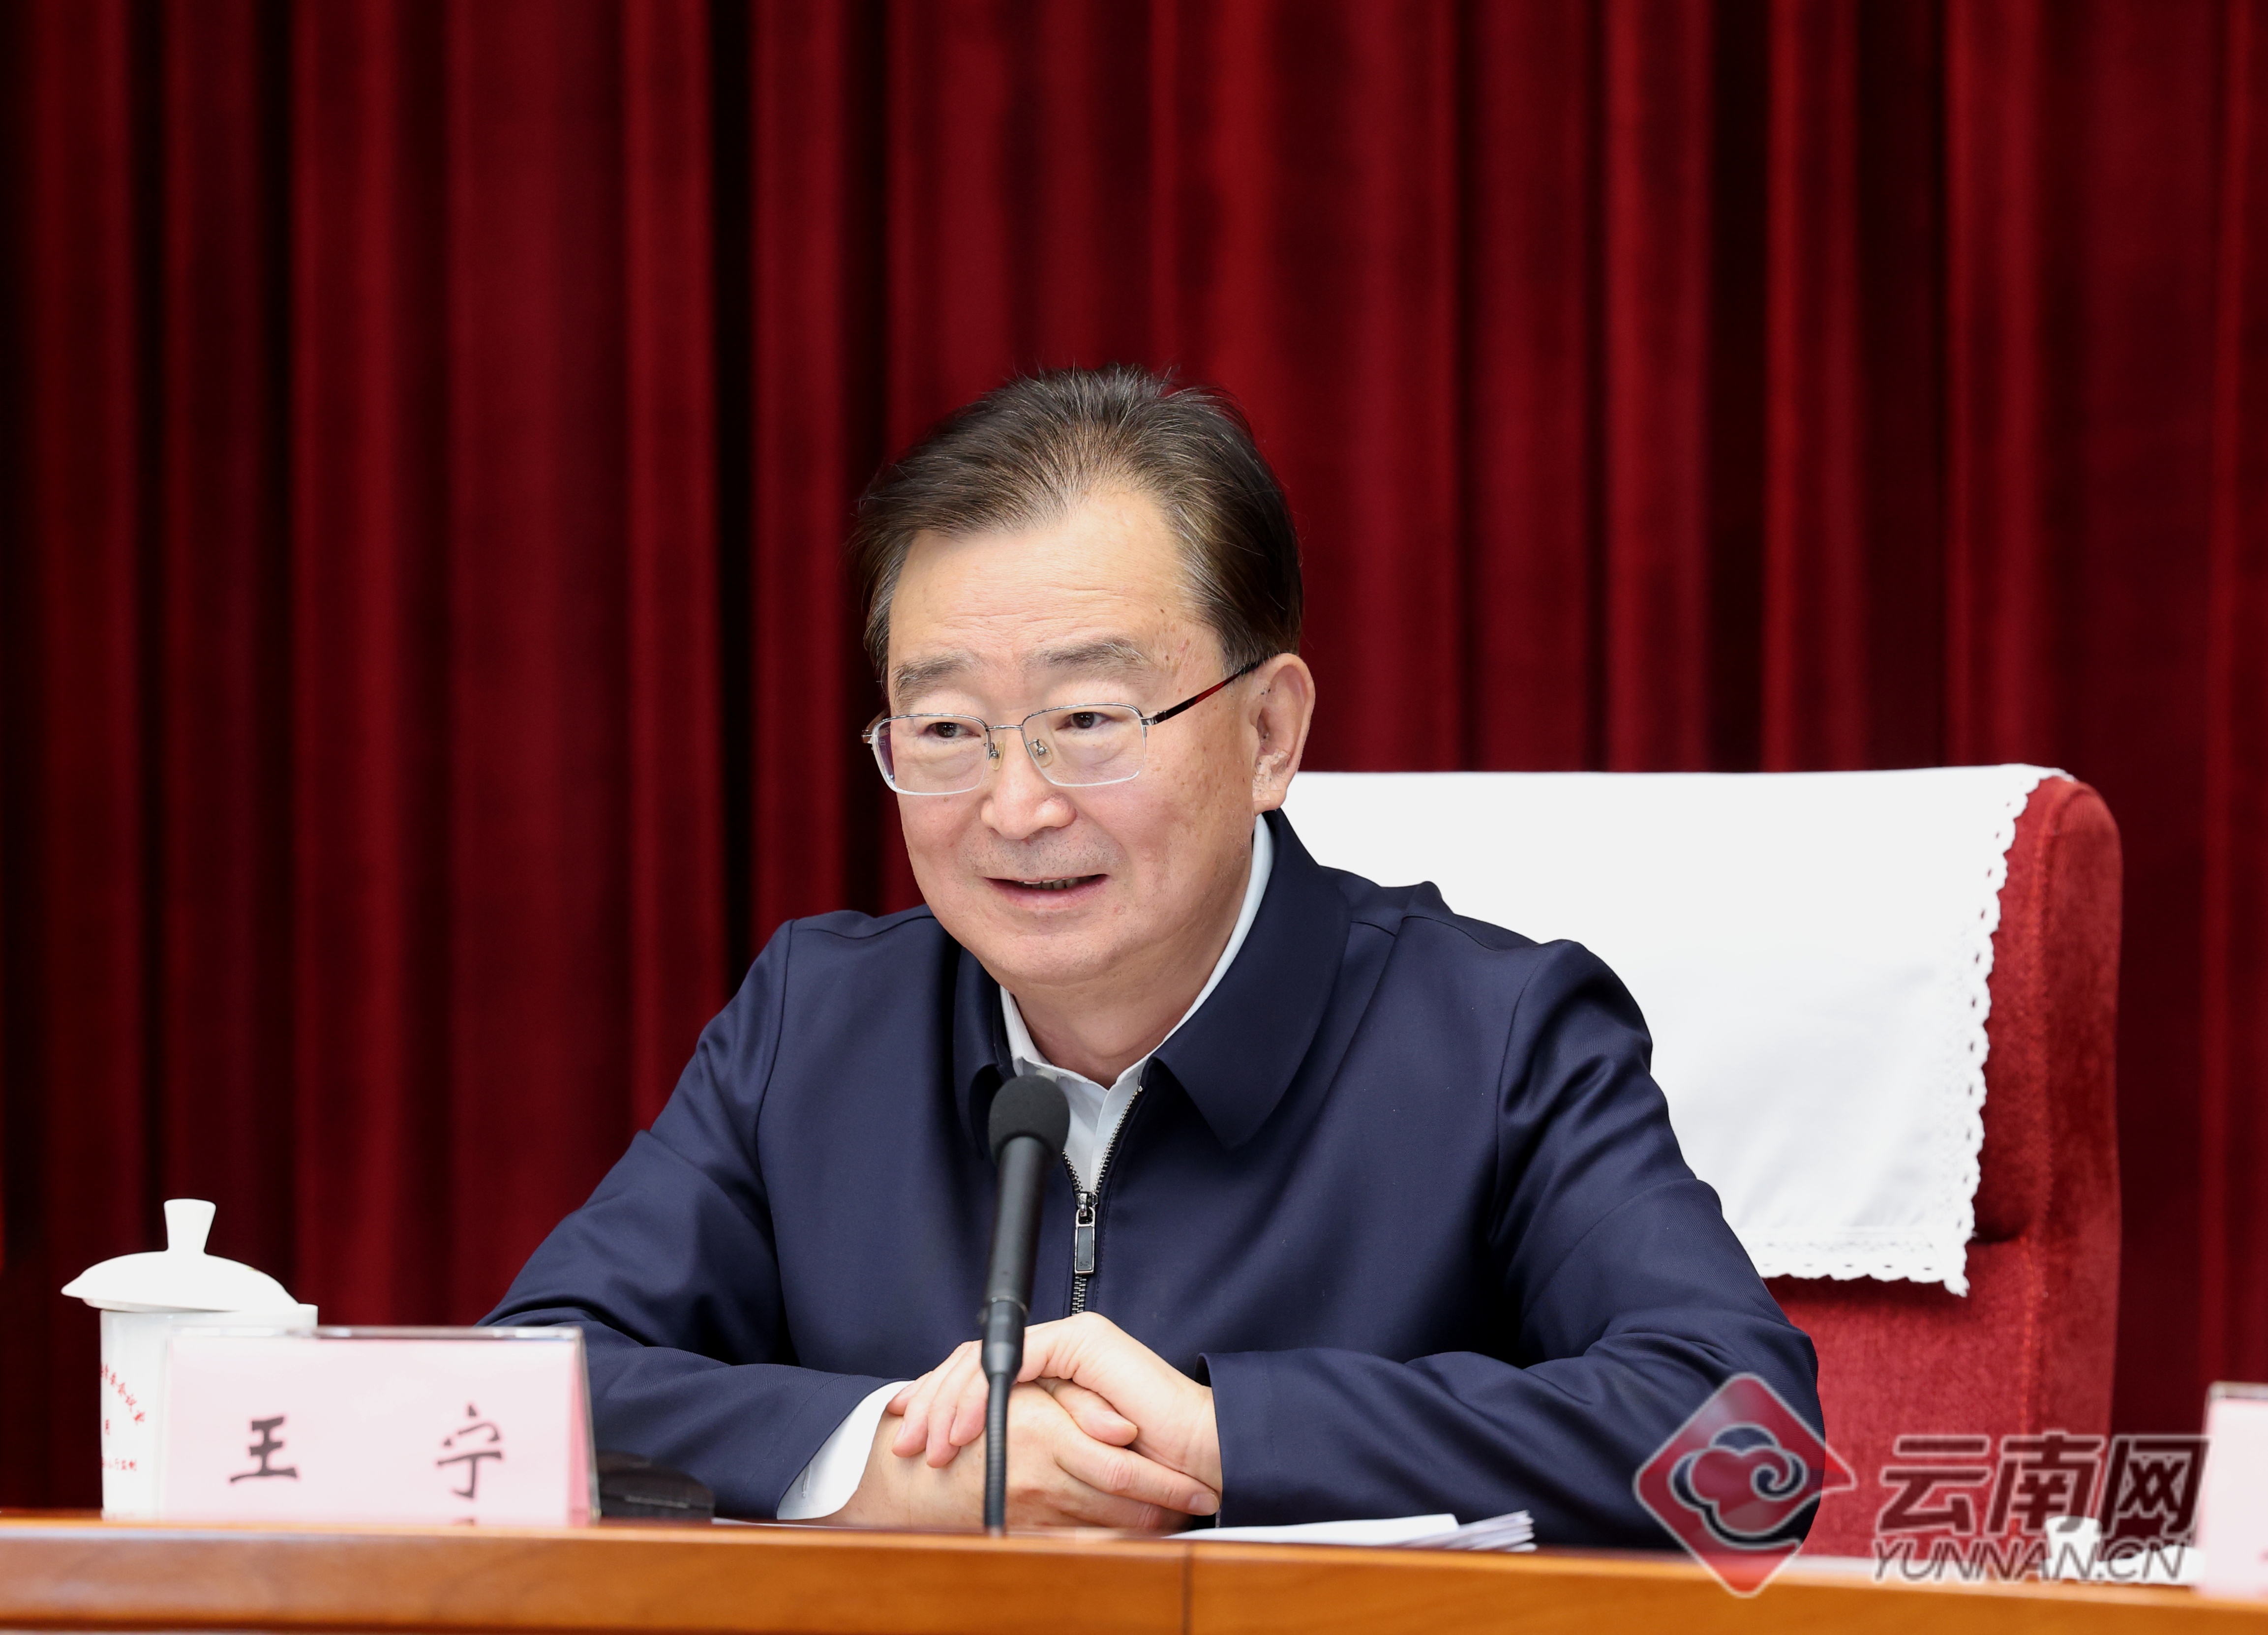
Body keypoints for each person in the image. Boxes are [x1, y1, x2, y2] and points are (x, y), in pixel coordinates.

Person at [487, 366, 1820, 1539]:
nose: (1016, 808)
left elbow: (1746, 1448)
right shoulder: (817, 1022)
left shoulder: (1495, 1036)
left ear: (1268, 735)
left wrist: (1222, 1437)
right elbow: (513, 1391)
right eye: (946, 731)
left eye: (1087, 719)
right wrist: (880, 1462)